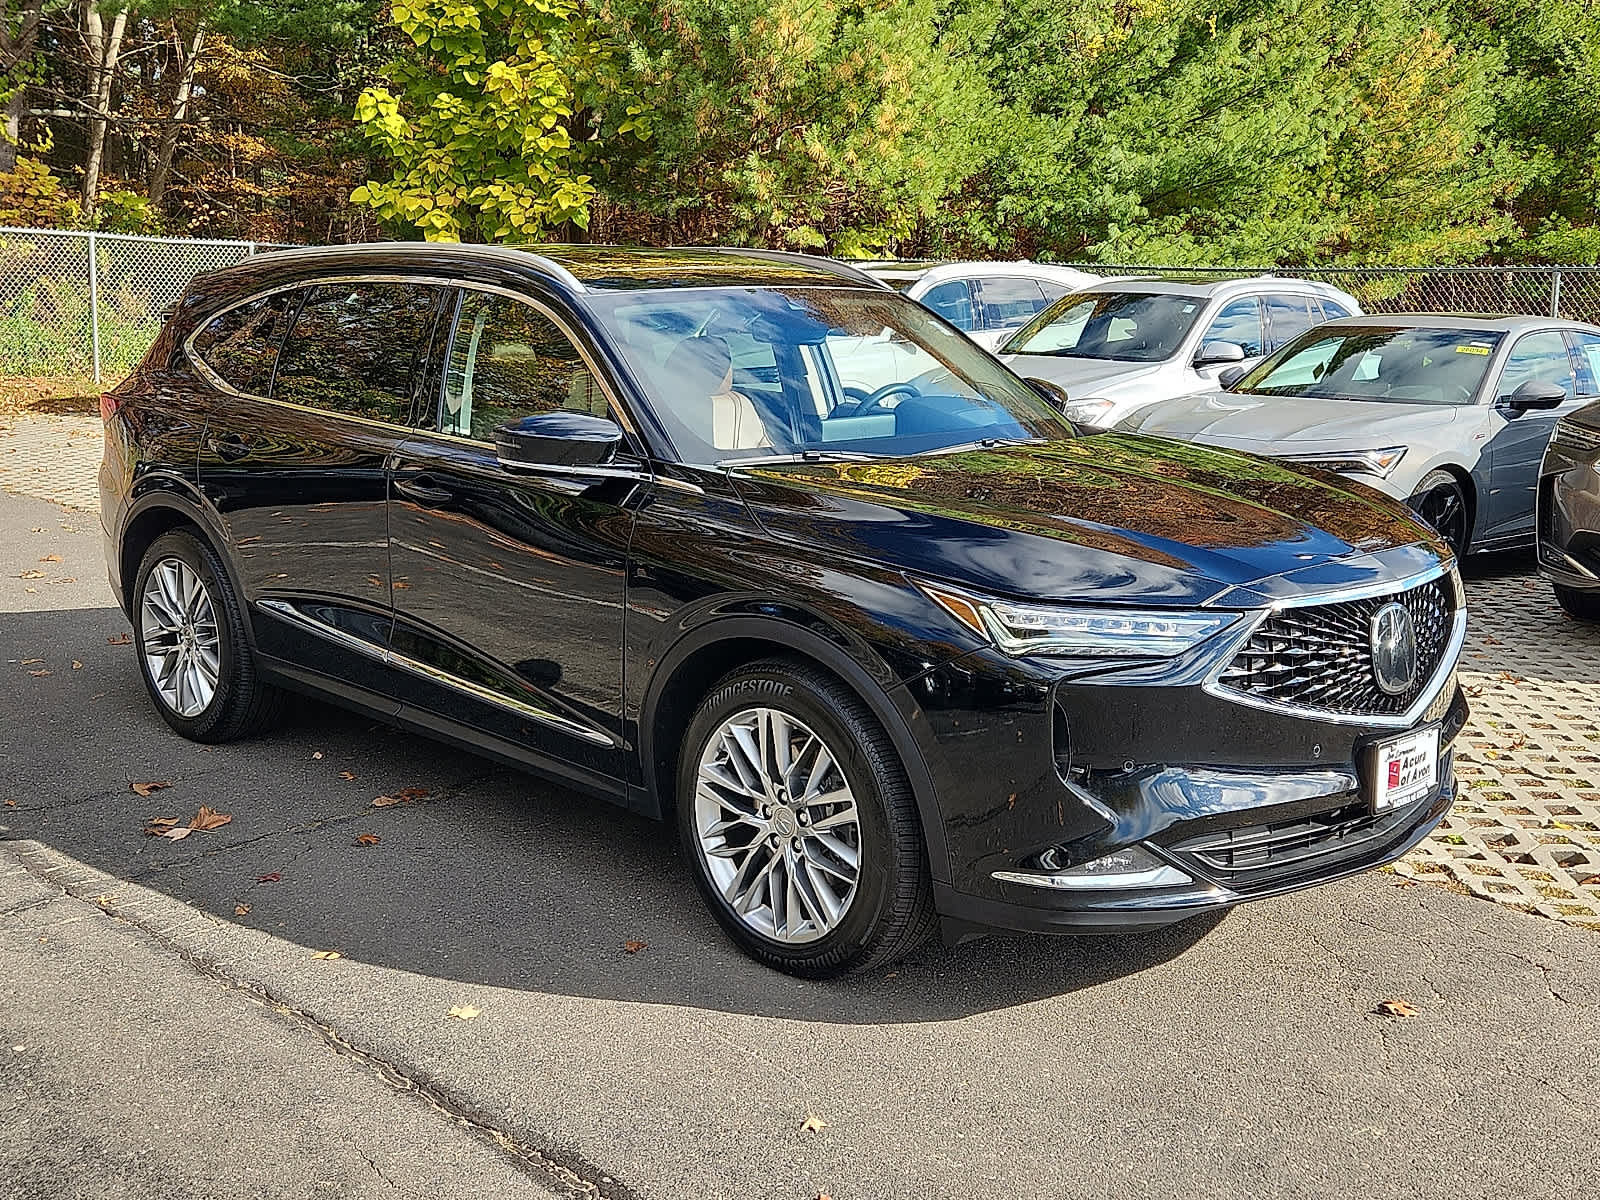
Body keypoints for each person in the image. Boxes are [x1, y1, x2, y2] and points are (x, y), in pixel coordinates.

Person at [662, 336, 772, 452]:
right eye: (729, 365)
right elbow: (767, 453)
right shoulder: (738, 404)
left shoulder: (657, 404)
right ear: (719, 372)